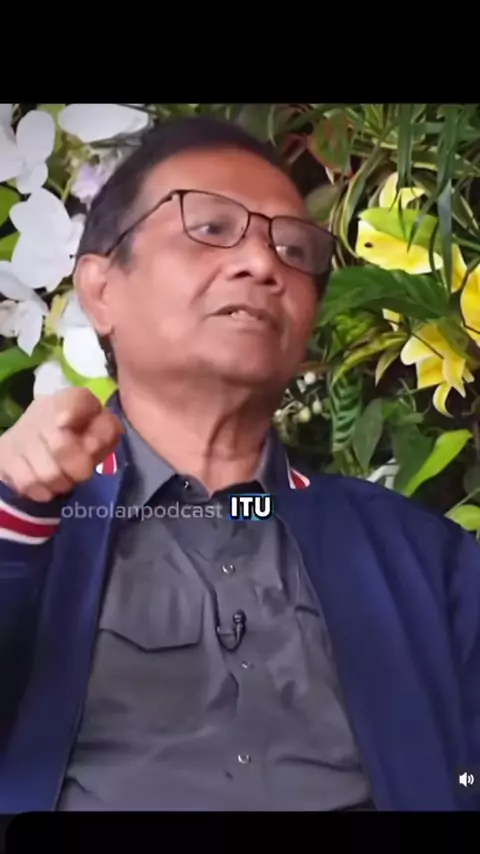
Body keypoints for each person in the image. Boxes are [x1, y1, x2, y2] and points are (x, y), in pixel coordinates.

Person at [0, 116, 478, 813]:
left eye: (294, 248)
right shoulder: (28, 525)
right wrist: (14, 520)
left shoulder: (420, 558)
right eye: (211, 227)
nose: (262, 264)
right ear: (101, 291)